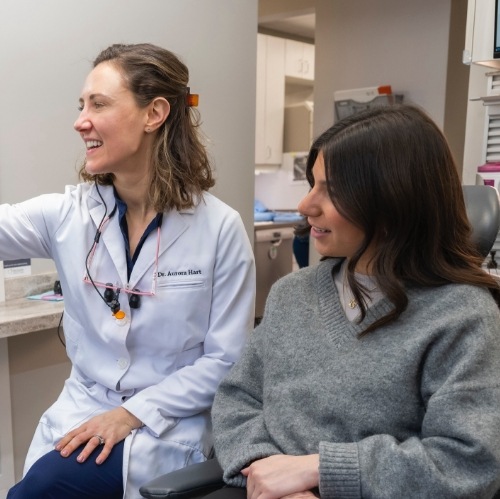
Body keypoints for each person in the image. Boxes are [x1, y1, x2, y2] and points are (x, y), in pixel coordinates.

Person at [210, 104, 500, 499]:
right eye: (312, 184)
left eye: (331, 190)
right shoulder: (292, 294)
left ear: (395, 197)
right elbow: (237, 400)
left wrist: (317, 470)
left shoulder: (463, 318)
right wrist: (268, 474)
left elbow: (467, 463)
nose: (305, 205)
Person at [6, 43, 255, 499]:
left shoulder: (219, 228)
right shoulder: (69, 215)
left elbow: (226, 361)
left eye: (98, 104)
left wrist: (130, 414)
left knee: (40, 490)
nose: (81, 120)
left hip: (165, 424)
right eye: (81, 105)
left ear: (154, 113)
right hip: (83, 413)